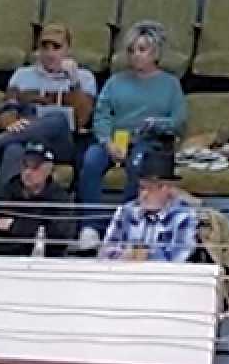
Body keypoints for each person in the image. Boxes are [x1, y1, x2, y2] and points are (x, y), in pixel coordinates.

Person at [76, 20, 188, 249]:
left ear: (155, 52)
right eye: (131, 50)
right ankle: (91, 228)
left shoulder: (170, 84)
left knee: (139, 164)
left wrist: (157, 123)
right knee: (90, 160)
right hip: (115, 140)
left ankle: (127, 226)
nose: (136, 55)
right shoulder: (116, 81)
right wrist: (107, 142)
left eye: (142, 50)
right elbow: (102, 115)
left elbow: (178, 122)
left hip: (149, 141)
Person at [0, 23, 97, 187]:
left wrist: (73, 82)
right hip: (26, 139)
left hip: (62, 144)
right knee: (13, 149)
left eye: (56, 47)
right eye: (45, 47)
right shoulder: (22, 75)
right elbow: (6, 109)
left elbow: (82, 120)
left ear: (67, 50)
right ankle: (5, 209)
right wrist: (11, 122)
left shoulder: (84, 77)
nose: (50, 54)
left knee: (57, 120)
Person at [0, 142, 75, 257]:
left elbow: (59, 240)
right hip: (0, 260)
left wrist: (13, 225)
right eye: (25, 165)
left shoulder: (59, 198)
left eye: (34, 167)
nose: (27, 172)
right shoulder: (6, 191)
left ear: (49, 169)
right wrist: (31, 232)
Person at [99, 148, 197, 263]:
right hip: (125, 275)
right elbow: (105, 253)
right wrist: (131, 256)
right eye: (141, 188)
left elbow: (178, 258)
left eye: (150, 189)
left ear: (167, 189)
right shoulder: (126, 211)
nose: (143, 194)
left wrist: (145, 256)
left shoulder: (184, 216)